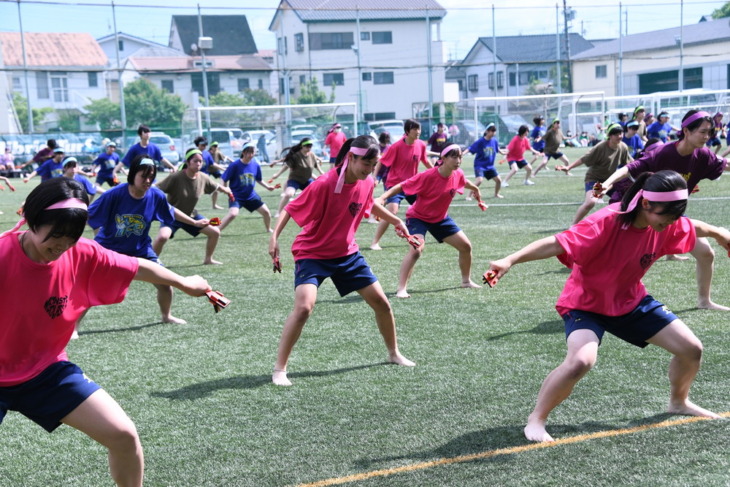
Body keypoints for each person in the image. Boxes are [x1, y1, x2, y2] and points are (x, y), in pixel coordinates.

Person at [486, 170, 727, 444]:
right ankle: (537, 419)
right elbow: (557, 243)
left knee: (691, 349)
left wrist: (720, 233)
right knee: (580, 361)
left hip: (630, 301)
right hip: (585, 304)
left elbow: (692, 225)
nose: (671, 223)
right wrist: (510, 260)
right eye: (667, 216)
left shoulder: (665, 223)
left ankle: (679, 402)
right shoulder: (606, 221)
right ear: (646, 204)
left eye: (675, 216)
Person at [0, 177, 211, 487]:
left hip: (47, 370)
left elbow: (136, 266)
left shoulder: (80, 252)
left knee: (123, 435)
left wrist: (183, 282)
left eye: (70, 238)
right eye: (55, 236)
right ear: (32, 221)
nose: (61, 247)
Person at [269, 135, 416, 387]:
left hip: (347, 254)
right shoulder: (324, 183)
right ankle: (279, 369)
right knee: (304, 308)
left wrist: (397, 221)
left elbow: (369, 204)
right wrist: (274, 239)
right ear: (350, 157)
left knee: (382, 303)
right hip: (313, 253)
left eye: (373, 165)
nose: (369, 170)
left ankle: (394, 354)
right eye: (365, 164)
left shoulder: (367, 181)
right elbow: (290, 209)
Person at [601, 110, 730, 310]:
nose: (707, 137)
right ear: (686, 131)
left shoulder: (703, 155)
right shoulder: (663, 153)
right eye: (703, 132)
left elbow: (724, 164)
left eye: (709, 132)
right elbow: (630, 168)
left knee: (706, 253)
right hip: (646, 215)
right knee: (625, 259)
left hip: (672, 216)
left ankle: (704, 301)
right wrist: (606, 183)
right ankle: (604, 299)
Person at [89, 155, 211, 324]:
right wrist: (96, 234)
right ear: (133, 175)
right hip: (110, 249)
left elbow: (171, 211)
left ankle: (166, 316)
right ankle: (73, 327)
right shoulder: (115, 194)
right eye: (143, 176)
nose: (147, 180)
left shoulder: (155, 195)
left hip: (141, 250)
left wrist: (194, 222)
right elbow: (89, 213)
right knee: (89, 287)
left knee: (165, 284)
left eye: (151, 176)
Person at [378, 144, 483, 298]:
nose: (458, 160)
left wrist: (476, 190)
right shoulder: (428, 176)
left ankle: (466, 281)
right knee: (416, 249)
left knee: (466, 246)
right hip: (418, 217)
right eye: (454, 157)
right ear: (444, 158)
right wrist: (382, 197)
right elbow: (401, 186)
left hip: (440, 218)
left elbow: (465, 182)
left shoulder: (457, 174)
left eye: (460, 157)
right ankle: (401, 289)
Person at [153, 148, 233, 265]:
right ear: (188, 162)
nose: (199, 164)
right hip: (172, 216)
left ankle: (208, 259)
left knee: (215, 232)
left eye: (200, 161)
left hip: (190, 216)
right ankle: (150, 262)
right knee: (162, 237)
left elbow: (216, 186)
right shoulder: (176, 177)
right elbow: (155, 188)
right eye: (195, 161)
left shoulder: (202, 177)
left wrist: (227, 190)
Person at [370, 119, 433, 250]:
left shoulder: (420, 145)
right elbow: (381, 162)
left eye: (419, 129)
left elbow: (425, 161)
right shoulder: (396, 147)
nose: (418, 132)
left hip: (412, 184)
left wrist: (436, 174)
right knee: (392, 210)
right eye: (415, 129)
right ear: (407, 131)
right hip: (395, 184)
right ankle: (375, 242)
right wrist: (374, 177)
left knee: (427, 207)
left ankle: (440, 235)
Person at [558, 123, 631, 224]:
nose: (620, 136)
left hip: (609, 181)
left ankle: (620, 224)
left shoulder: (623, 147)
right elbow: (584, 158)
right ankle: (573, 225)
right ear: (610, 135)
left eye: (621, 133)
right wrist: (569, 167)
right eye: (616, 134)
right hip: (595, 180)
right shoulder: (601, 147)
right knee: (591, 202)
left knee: (627, 200)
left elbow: (630, 164)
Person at [220, 144, 276, 233]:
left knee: (266, 212)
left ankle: (268, 229)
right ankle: (216, 230)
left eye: (252, 152)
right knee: (233, 214)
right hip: (236, 196)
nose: (250, 155)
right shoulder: (235, 165)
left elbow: (258, 179)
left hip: (250, 195)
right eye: (248, 152)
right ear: (243, 152)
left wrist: (268, 187)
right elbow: (223, 179)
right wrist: (225, 189)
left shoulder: (256, 165)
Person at [270, 137, 324, 218]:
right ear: (302, 146)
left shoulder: (311, 155)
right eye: (307, 146)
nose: (309, 147)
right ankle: (279, 212)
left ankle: (315, 212)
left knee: (318, 193)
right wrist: (277, 175)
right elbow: (286, 165)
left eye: (310, 146)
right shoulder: (296, 156)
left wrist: (322, 173)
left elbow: (317, 166)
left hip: (307, 180)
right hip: (295, 180)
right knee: (288, 194)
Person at [462, 123, 506, 199]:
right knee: (479, 180)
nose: (493, 133)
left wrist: (502, 152)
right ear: (487, 131)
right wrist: (462, 154)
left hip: (490, 166)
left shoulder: (494, 141)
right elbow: (470, 148)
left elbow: (497, 148)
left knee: (498, 180)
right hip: (480, 166)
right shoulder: (480, 141)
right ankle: (468, 196)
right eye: (492, 131)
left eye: (494, 131)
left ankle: (496, 194)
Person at [193, 136, 226, 210]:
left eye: (205, 145)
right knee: (194, 194)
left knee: (215, 189)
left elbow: (213, 163)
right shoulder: (193, 153)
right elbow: (185, 164)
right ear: (198, 145)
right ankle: (189, 207)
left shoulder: (207, 154)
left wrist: (223, 169)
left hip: (205, 177)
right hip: (195, 177)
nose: (204, 147)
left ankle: (214, 205)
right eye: (202, 145)